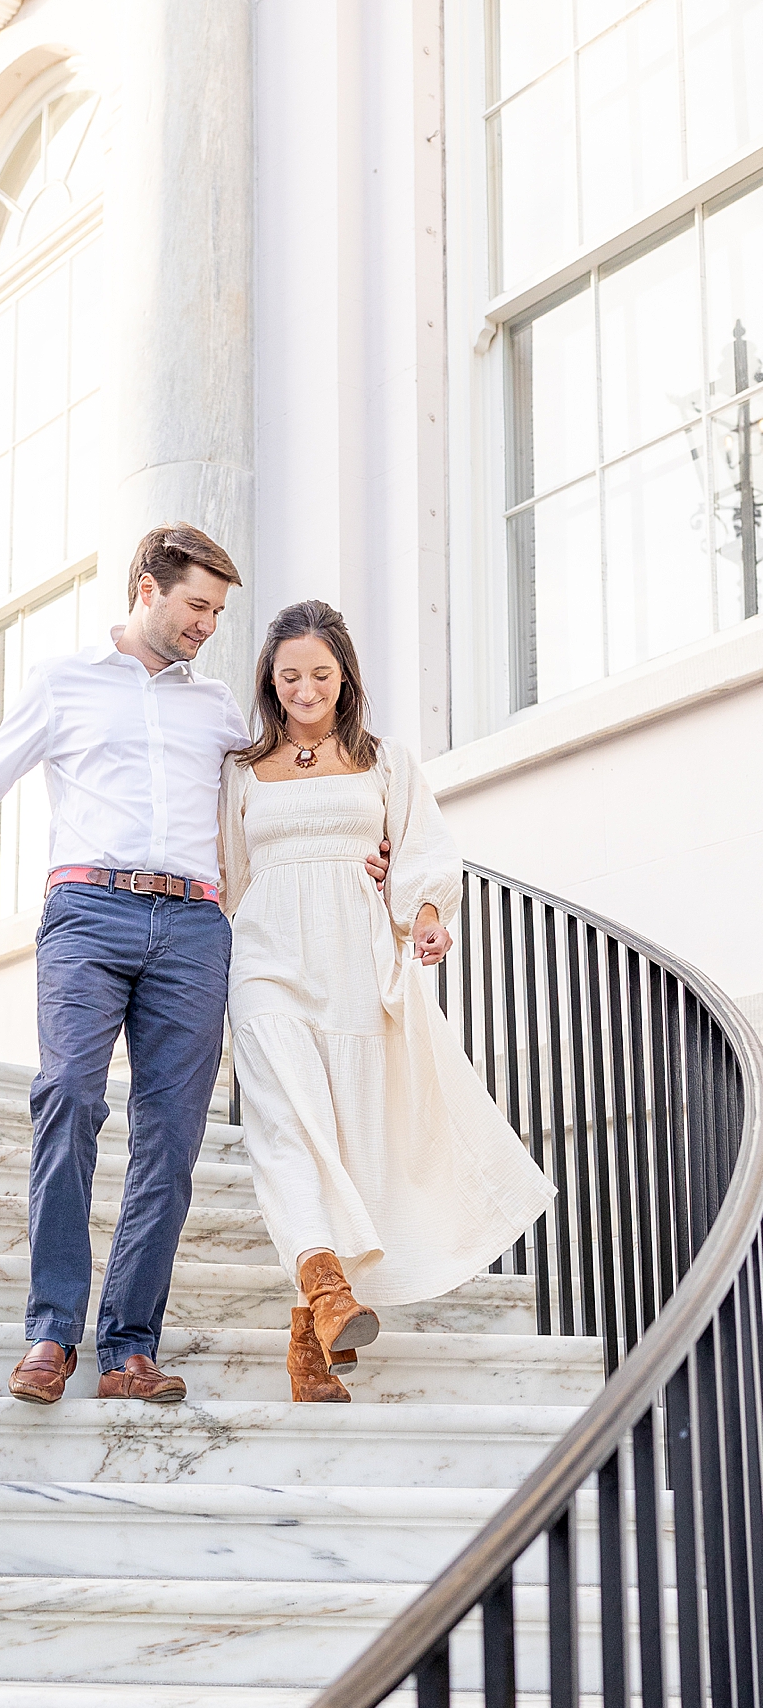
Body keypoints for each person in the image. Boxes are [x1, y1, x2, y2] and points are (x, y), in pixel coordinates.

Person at [0, 528, 391, 1405]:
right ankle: (50, 1334)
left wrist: (359, 854)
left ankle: (128, 1349)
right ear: (148, 588)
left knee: (171, 1142)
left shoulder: (220, 709)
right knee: (67, 1095)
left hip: (193, 928)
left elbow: (293, 776)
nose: (208, 627)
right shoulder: (62, 683)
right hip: (88, 911)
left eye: (218, 613)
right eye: (196, 607)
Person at [220, 597, 555, 1402]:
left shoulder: (384, 761)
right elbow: (225, 875)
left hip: (357, 964)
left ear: (345, 679)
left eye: (321, 675)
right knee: (285, 1122)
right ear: (270, 679)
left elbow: (422, 847)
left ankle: (312, 1338)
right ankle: (330, 1288)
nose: (305, 689)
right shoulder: (238, 768)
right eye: (290, 675)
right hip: (264, 957)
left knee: (354, 1140)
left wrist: (426, 914)